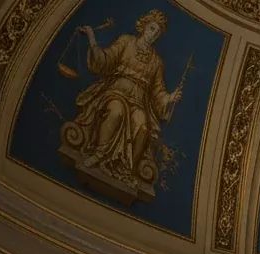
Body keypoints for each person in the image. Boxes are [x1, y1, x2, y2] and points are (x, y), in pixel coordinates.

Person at [71, 10, 182, 185]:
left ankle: (126, 169)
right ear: (144, 26)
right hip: (116, 92)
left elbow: (157, 92)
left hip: (138, 102)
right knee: (116, 112)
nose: (153, 34)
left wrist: (169, 98)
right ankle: (98, 154)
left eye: (158, 33)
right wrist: (92, 39)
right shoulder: (126, 42)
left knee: (143, 126)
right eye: (152, 28)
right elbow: (105, 61)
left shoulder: (156, 62)